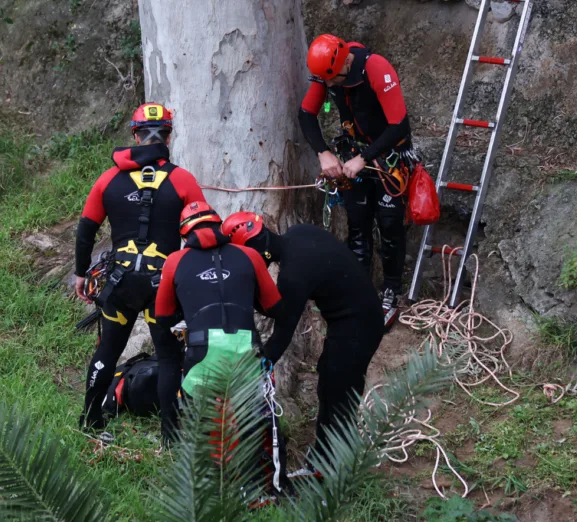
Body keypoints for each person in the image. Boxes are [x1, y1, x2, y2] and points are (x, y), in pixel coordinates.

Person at [74, 103, 206, 432]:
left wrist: (80, 273)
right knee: (169, 358)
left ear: (135, 135)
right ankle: (170, 436)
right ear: (168, 136)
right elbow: (202, 233)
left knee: (108, 351)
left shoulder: (108, 180)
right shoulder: (183, 180)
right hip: (162, 287)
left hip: (119, 284)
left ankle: (90, 423)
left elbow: (86, 230)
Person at [221, 212, 384, 472]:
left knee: (337, 396)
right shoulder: (299, 233)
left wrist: (257, 368)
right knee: (329, 386)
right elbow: (281, 307)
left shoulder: (293, 276)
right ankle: (324, 459)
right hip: (362, 316)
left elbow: (281, 333)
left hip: (358, 326)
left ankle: (333, 471)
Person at [155, 202, 288, 495]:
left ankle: (208, 484)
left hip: (202, 355)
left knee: (201, 422)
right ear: (219, 226)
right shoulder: (249, 255)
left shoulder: (175, 261)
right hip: (246, 353)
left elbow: (162, 317)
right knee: (254, 420)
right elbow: (275, 307)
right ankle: (260, 485)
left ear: (184, 233)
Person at [299, 33, 416, 329]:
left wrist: (365, 158)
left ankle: (391, 291)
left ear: (346, 63)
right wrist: (323, 152)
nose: (329, 87)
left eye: (333, 81)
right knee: (357, 223)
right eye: (325, 81)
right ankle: (359, 289)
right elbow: (307, 114)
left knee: (390, 225)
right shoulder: (327, 73)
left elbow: (399, 124)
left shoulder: (375, 68)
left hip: (388, 156)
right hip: (353, 154)